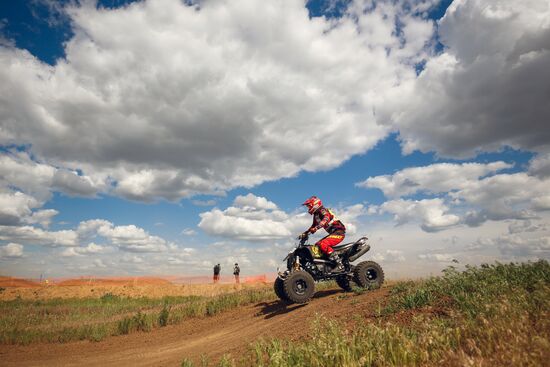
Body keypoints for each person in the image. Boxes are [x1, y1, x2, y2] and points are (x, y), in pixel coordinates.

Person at [300, 196, 346, 271]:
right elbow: (313, 225)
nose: (308, 208)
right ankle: (328, 264)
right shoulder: (316, 215)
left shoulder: (322, 210)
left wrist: (316, 228)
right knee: (317, 245)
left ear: (315, 204)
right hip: (333, 234)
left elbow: (326, 219)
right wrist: (305, 233)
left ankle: (339, 264)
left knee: (323, 244)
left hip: (339, 232)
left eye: (309, 206)